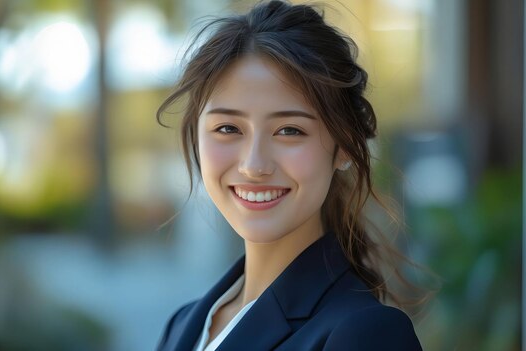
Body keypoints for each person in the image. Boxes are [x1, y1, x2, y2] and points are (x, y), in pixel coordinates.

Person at [156, 1, 427, 350]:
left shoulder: (364, 333)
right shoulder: (183, 325)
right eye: (227, 128)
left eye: (289, 131)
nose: (254, 165)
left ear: (343, 146)